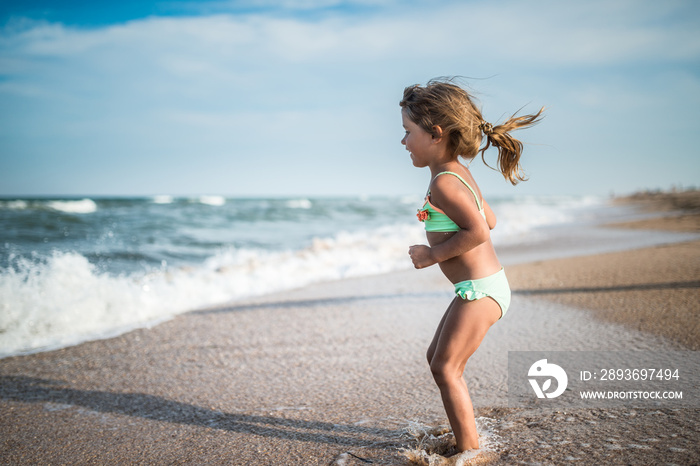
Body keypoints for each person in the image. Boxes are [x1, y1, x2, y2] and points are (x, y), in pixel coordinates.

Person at [400, 79, 543, 453]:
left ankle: (470, 452)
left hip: (481, 291)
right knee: (436, 359)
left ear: (434, 134)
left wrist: (432, 255)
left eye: (407, 132)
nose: (403, 142)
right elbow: (490, 219)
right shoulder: (456, 174)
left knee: (446, 368)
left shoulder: (446, 183)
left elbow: (478, 230)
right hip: (478, 288)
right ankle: (466, 439)